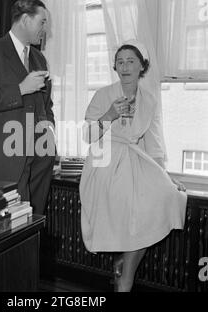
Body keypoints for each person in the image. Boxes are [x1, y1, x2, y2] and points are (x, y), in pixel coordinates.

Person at [79, 40, 187, 292]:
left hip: (136, 159)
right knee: (133, 207)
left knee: (165, 198)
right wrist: (108, 115)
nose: (125, 66)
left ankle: (124, 271)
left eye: (131, 61)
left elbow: (154, 143)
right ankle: (125, 277)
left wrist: (166, 177)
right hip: (104, 161)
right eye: (120, 61)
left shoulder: (149, 100)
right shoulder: (103, 94)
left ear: (142, 66)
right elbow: (86, 135)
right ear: (114, 67)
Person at [0, 0, 55, 215]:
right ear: (25, 19)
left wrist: (50, 132)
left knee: (34, 226)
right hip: (7, 158)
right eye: (42, 22)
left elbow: (47, 104)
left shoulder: (39, 58)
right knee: (13, 232)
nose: (45, 29)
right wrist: (20, 89)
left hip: (40, 158)